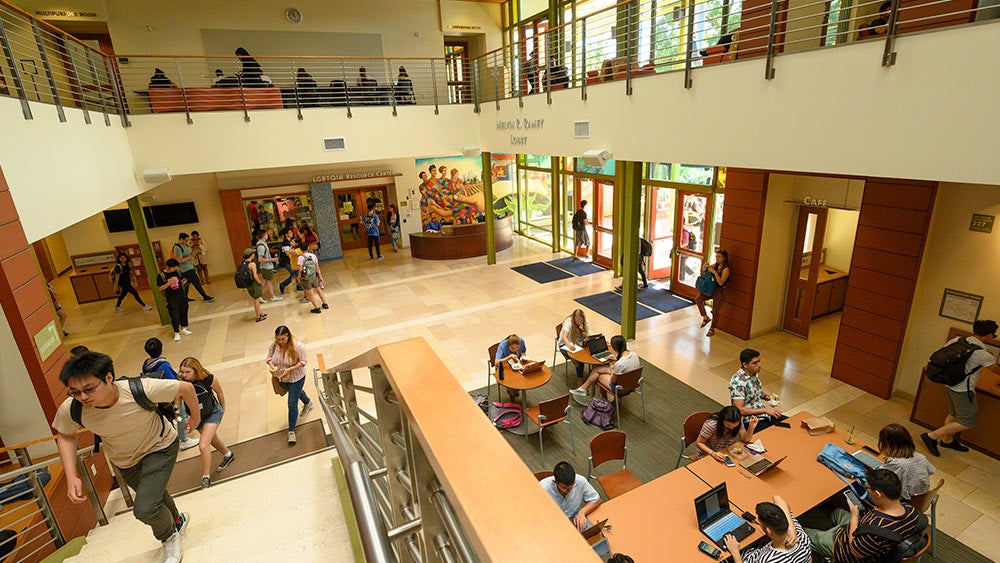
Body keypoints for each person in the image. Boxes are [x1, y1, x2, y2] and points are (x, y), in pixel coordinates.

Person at [52, 352, 200, 563]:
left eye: (89, 389)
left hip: (159, 447)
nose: (83, 397)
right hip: (124, 460)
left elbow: (186, 388)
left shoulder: (140, 389)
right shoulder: (73, 409)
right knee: (154, 496)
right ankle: (178, 520)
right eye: (75, 392)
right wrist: (72, 476)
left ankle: (168, 537)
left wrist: (195, 416)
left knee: (145, 508)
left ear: (109, 378)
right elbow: (65, 436)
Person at [803, 468, 923, 561]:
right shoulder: (910, 510)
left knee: (805, 535)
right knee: (837, 513)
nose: (867, 490)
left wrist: (855, 516)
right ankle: (832, 531)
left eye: (868, 488)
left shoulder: (876, 528)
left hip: (847, 550)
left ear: (877, 493)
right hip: (862, 530)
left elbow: (854, 550)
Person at [921, 319, 999, 456]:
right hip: (964, 390)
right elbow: (996, 370)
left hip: (950, 384)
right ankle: (932, 436)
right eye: (994, 335)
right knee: (967, 422)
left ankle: (948, 440)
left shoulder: (957, 340)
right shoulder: (982, 354)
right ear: (989, 335)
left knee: (954, 414)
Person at [177, 357, 234, 489]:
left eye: (187, 372)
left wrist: (223, 408)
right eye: (182, 372)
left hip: (213, 413)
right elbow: (178, 405)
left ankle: (206, 478)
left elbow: (219, 391)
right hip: (197, 418)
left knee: (203, 445)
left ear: (195, 370)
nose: (184, 375)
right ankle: (228, 454)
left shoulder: (207, 378)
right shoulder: (181, 383)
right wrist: (181, 419)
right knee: (212, 439)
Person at [142, 337, 198, 451]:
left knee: (168, 416)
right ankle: (184, 439)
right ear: (161, 348)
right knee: (180, 415)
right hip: (170, 396)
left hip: (157, 395)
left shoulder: (146, 364)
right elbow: (174, 382)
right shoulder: (164, 365)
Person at [723, 495, 811, 563]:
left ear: (768, 530)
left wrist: (735, 552)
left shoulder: (768, 559)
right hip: (756, 551)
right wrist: (792, 527)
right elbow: (778, 498)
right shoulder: (801, 537)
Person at [267, 326, 314, 445]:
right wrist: (273, 367)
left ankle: (291, 431)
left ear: (288, 336)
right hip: (282, 378)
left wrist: (290, 369)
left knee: (291, 403)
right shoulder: (273, 344)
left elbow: (303, 362)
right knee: (296, 393)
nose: (280, 342)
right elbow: (268, 358)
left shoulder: (298, 346)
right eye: (278, 339)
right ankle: (308, 403)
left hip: (296, 378)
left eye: (282, 339)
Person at [878, 423, 935, 502]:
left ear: (888, 445)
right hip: (921, 499)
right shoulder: (921, 457)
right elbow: (931, 471)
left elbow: (879, 480)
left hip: (903, 502)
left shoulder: (897, 464)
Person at [570, 335, 640, 400]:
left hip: (621, 388)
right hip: (632, 383)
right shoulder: (634, 354)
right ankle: (583, 388)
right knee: (597, 369)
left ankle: (603, 399)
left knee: (599, 376)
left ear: (615, 348)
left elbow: (613, 381)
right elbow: (626, 365)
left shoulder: (619, 364)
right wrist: (616, 359)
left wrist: (611, 367)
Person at [729, 349, 782, 431]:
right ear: (745, 365)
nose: (759, 365)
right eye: (755, 363)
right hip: (750, 421)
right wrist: (766, 410)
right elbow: (740, 410)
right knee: (774, 436)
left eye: (759, 361)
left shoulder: (753, 373)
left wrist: (766, 396)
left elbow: (754, 390)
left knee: (790, 423)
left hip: (763, 415)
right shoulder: (738, 383)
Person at [539, 461, 601, 531]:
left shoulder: (580, 481)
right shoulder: (542, 488)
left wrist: (582, 512)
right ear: (555, 482)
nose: (569, 490)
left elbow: (596, 499)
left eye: (572, 487)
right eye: (564, 488)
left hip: (574, 520)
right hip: (552, 523)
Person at [692, 406, 757, 461]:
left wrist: (751, 427)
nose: (731, 428)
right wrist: (713, 453)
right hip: (708, 453)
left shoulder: (738, 422)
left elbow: (746, 439)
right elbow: (699, 443)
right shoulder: (712, 424)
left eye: (734, 426)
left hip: (725, 451)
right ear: (722, 420)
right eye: (728, 425)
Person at [695, 249, 731, 336]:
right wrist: (705, 268)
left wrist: (715, 273)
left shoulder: (726, 269)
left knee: (715, 311)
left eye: (719, 257)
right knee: (698, 299)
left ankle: (712, 328)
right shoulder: (715, 265)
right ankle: (705, 317)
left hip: (720, 291)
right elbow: (706, 271)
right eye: (716, 257)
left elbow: (721, 282)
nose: (717, 259)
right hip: (711, 289)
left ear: (724, 258)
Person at [171, 233, 214, 303]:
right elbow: (179, 260)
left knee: (187, 283)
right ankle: (205, 297)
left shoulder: (186, 245)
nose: (187, 242)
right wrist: (190, 257)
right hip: (185, 269)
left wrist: (195, 253)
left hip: (190, 267)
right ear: (181, 239)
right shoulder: (177, 248)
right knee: (196, 282)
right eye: (185, 240)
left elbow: (189, 255)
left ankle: (185, 297)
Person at [157, 259, 190, 342]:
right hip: (171, 297)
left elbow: (181, 282)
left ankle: (183, 328)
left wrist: (183, 282)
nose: (175, 268)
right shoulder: (161, 275)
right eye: (173, 267)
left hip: (181, 295)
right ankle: (176, 332)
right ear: (168, 267)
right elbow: (160, 288)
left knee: (184, 310)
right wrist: (169, 283)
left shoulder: (177, 272)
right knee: (175, 314)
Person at [558, 309, 592, 382]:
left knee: (591, 352)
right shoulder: (569, 321)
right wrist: (570, 346)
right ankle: (581, 380)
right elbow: (564, 337)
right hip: (565, 344)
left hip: (579, 344)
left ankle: (591, 375)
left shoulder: (586, 322)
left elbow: (587, 337)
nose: (579, 323)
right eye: (577, 321)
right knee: (578, 358)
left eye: (581, 321)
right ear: (574, 318)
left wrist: (582, 329)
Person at [297, 242, 328, 313]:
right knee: (318, 289)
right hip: (314, 276)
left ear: (300, 249)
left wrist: (299, 277)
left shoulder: (301, 257)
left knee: (310, 293)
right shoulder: (313, 256)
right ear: (308, 248)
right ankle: (325, 304)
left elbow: (301, 269)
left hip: (306, 278)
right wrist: (320, 276)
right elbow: (317, 267)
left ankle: (317, 308)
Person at [494, 334, 528, 401]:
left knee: (525, 377)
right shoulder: (502, 346)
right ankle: (512, 392)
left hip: (516, 364)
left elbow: (523, 351)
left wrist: (522, 357)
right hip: (504, 366)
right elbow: (496, 362)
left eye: (517, 348)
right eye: (512, 348)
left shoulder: (521, 341)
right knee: (511, 381)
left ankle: (515, 390)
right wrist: (509, 357)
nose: (514, 350)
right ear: (508, 345)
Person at [240, 248, 267, 323]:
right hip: (254, 284)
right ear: (251, 255)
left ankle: (259, 313)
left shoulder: (243, 263)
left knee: (255, 300)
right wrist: (259, 283)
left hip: (248, 284)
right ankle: (258, 316)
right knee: (257, 300)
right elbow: (255, 276)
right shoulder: (252, 264)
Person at [254, 230, 282, 301]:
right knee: (268, 282)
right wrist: (272, 259)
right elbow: (260, 259)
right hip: (266, 267)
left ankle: (259, 295)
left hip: (265, 266)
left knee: (265, 281)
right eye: (266, 234)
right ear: (264, 235)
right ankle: (272, 296)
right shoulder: (261, 246)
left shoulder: (262, 244)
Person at [277, 228, 299, 293]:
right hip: (286, 261)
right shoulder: (285, 243)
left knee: (295, 274)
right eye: (289, 232)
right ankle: (282, 284)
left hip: (290, 261)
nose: (291, 233)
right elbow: (287, 254)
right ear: (286, 234)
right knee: (294, 274)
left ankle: (298, 286)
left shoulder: (290, 241)